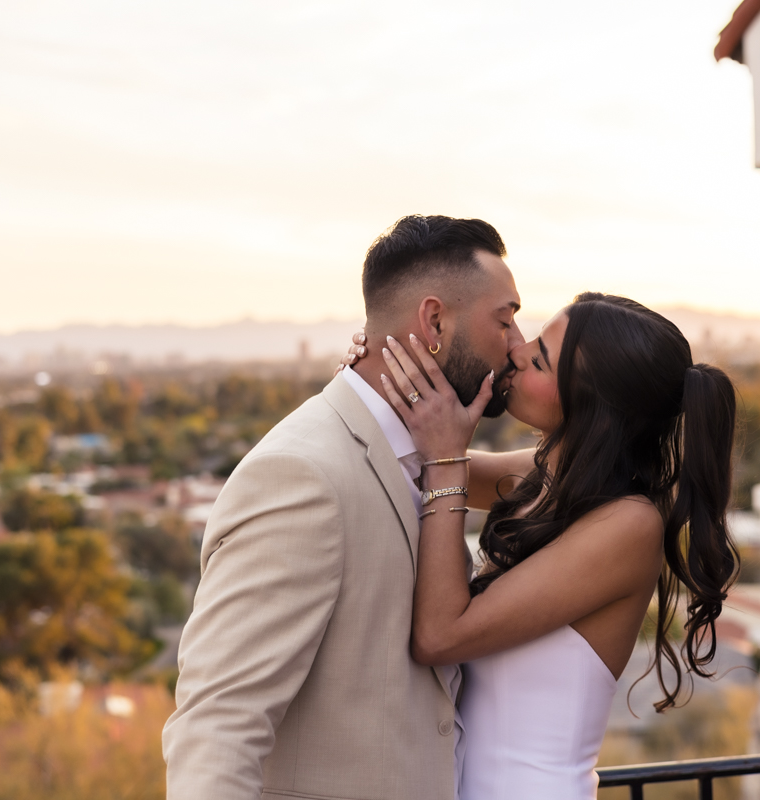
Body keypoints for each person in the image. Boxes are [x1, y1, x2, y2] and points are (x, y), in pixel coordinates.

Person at [163, 214, 524, 800]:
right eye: (504, 320)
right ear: (434, 321)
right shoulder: (301, 475)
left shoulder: (425, 456)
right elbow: (217, 727)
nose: (516, 345)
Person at [353, 292, 738, 799]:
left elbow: (441, 635)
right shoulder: (545, 481)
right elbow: (412, 457)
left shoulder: (630, 524)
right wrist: (374, 371)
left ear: (590, 404)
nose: (517, 350)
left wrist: (446, 458)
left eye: (539, 359)